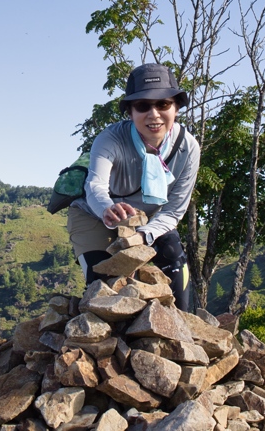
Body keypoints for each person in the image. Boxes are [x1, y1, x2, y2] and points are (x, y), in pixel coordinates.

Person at [68, 63, 200, 312]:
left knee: (174, 263)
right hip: (93, 214)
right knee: (103, 283)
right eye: (142, 106)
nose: (154, 114)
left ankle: (180, 329)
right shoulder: (110, 139)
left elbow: (174, 210)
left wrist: (143, 235)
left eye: (163, 104)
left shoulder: (188, 147)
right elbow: (95, 185)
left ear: (176, 107)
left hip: (150, 218)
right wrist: (107, 209)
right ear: (130, 111)